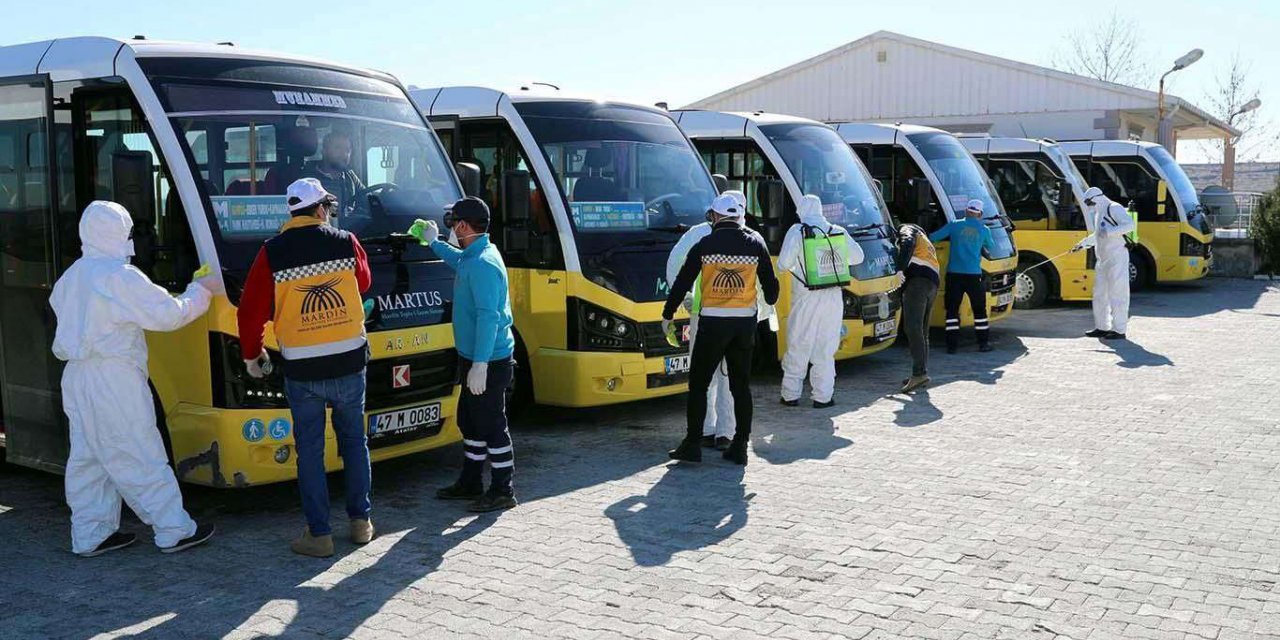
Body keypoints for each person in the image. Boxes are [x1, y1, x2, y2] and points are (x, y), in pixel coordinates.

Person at [51, 201, 217, 557]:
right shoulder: (120, 277)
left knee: (88, 457)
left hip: (78, 376)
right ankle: (174, 528)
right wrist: (201, 290)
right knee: (138, 450)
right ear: (116, 234)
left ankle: (90, 534)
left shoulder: (72, 276)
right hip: (114, 377)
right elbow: (169, 315)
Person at [237, 178, 374, 557]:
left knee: (310, 452)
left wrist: (252, 356)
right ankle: (361, 523)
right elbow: (363, 282)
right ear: (320, 210)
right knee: (354, 442)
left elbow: (250, 312)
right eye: (328, 208)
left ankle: (320, 535)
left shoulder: (271, 252)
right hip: (349, 363)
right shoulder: (346, 242)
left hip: (303, 371)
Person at [411, 197, 518, 512]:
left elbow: (489, 317)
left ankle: (503, 489)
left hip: (489, 361)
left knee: (492, 424)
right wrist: (435, 244)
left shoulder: (483, 264)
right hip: (473, 358)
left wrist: (481, 364)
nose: (450, 229)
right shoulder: (476, 254)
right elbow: (459, 261)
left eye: (451, 224)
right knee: (470, 422)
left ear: (461, 226)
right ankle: (471, 481)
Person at [663, 194, 779, 465]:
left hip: (711, 324)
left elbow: (682, 281)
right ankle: (739, 445)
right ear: (740, 216)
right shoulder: (756, 244)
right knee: (740, 386)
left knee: (699, 385)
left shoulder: (704, 244)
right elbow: (772, 292)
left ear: (714, 216)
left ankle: (693, 444)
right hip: (743, 326)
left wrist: (668, 313)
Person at [665, 190, 748, 450]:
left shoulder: (698, 235)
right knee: (731, 379)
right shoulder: (751, 238)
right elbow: (765, 284)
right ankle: (726, 433)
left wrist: (684, 301)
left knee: (703, 378)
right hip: (739, 320)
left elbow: (674, 269)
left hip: (705, 317)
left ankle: (705, 431)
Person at [776, 195, 865, 408]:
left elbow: (783, 263)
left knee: (799, 343)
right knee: (826, 346)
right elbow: (858, 257)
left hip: (806, 297)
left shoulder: (798, 231)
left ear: (802, 210)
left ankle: (790, 395)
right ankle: (823, 397)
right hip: (833, 296)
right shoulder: (837, 231)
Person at [929, 199, 997, 353]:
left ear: (966, 211)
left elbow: (933, 237)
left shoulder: (954, 225)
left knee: (952, 310)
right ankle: (983, 344)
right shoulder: (984, 229)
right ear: (980, 213)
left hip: (954, 275)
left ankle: (951, 346)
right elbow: (991, 246)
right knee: (979, 311)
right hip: (974, 275)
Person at [1075, 186, 1136, 340]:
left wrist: (1109, 232)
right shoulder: (1098, 214)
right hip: (1102, 260)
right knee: (1099, 294)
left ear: (1097, 198)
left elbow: (1130, 225)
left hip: (1117, 258)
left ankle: (1119, 330)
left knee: (1118, 294)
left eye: (1090, 203)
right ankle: (1102, 327)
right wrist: (1082, 244)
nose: (1089, 206)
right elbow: (1098, 235)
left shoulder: (1113, 208)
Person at [894, 223, 941, 393]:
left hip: (918, 282)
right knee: (922, 330)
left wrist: (899, 269)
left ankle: (919, 373)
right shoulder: (925, 241)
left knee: (912, 328)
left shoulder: (907, 230)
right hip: (932, 283)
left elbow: (906, 242)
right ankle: (920, 371)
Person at [306, 130, 365, 217]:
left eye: (347, 150)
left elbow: (367, 197)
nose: (344, 154)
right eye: (338, 148)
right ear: (324, 151)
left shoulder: (350, 176)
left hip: (350, 228)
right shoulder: (307, 180)